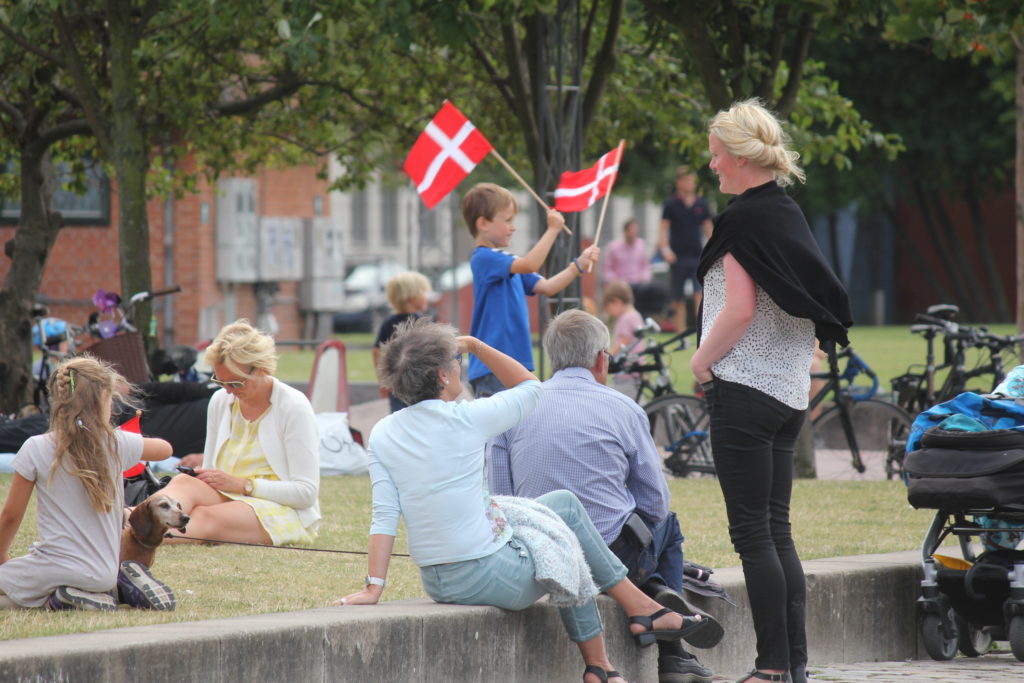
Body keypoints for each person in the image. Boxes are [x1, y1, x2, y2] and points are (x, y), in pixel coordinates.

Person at [332, 318, 708, 683]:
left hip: (437, 579)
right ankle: (618, 641)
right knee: (561, 544)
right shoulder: (468, 417)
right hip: (488, 575)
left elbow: (383, 516)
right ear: (443, 376)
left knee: (563, 504)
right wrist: (478, 345)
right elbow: (532, 385)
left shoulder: (383, 432)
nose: (461, 366)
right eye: (456, 362)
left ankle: (615, 649)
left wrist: (373, 587)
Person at [692, 99, 852, 683]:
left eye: (715, 157)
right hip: (787, 397)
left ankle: (769, 668)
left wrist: (701, 362)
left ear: (737, 157)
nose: (712, 168)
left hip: (743, 390)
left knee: (753, 534)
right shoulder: (787, 214)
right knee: (777, 531)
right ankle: (794, 667)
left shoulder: (741, 221)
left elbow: (737, 309)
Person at [489, 309, 723, 683]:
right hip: (617, 552)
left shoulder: (511, 411)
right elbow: (655, 504)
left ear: (553, 356)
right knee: (669, 527)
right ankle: (674, 650)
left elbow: (502, 500)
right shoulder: (625, 409)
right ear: (601, 359)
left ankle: (655, 596)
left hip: (540, 555)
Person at [0, 357, 175, 611]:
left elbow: (10, 516)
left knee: (20, 589)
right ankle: (80, 596)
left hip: (54, 567)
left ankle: (66, 597)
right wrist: (122, 438)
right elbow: (165, 449)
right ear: (104, 396)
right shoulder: (117, 443)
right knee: (20, 598)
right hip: (104, 572)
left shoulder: (36, 447)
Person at [161, 319, 320, 546]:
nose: (227, 390)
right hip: (228, 494)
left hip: (282, 508)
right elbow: (211, 467)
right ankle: (128, 521)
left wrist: (245, 485)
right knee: (184, 483)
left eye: (235, 383)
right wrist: (202, 475)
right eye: (219, 381)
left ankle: (133, 539)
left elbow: (306, 494)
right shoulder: (220, 400)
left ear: (262, 368)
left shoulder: (294, 406)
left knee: (206, 516)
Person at [463, 182, 599, 397]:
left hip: (516, 363)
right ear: (483, 223)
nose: (513, 226)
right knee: (500, 429)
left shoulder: (508, 262)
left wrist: (578, 265)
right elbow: (530, 264)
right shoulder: (484, 258)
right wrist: (553, 230)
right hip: (493, 366)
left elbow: (547, 286)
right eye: (507, 220)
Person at [659, 167, 713, 333]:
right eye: (685, 180)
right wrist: (666, 250)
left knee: (699, 294)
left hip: (696, 256)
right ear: (679, 182)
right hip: (678, 257)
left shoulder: (701, 204)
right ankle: (680, 331)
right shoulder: (671, 204)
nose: (689, 183)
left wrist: (712, 251)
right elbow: (663, 229)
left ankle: (701, 330)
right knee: (678, 298)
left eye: (691, 180)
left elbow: (708, 229)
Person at [373, 270, 432, 413]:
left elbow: (377, 352)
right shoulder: (422, 322)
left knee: (399, 417)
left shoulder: (389, 323)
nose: (426, 297)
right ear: (410, 297)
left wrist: (383, 381)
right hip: (421, 382)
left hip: (396, 383)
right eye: (423, 293)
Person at [603, 218, 651, 287]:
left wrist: (644, 278)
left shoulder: (641, 245)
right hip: (620, 286)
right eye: (632, 230)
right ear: (625, 231)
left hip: (638, 284)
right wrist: (614, 281)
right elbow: (607, 269)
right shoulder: (614, 247)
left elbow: (645, 266)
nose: (634, 232)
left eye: (636, 229)